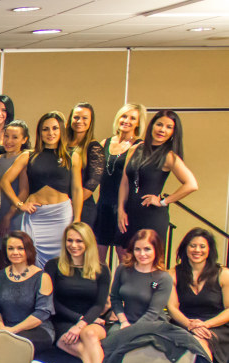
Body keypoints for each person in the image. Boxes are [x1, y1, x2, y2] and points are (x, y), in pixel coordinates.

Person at [1, 112, 83, 266]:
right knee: (31, 259)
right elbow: (5, 181)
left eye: (55, 128)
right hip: (35, 216)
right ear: (39, 132)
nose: (50, 133)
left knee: (61, 262)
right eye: (45, 129)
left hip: (61, 216)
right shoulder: (28, 155)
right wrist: (20, 205)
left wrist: (77, 218)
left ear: (61, 130)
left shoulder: (72, 156)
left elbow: (77, 190)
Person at [118, 110, 197, 247]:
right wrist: (120, 209)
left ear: (173, 132)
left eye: (169, 127)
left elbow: (191, 184)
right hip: (129, 214)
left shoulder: (169, 156)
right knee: (126, 257)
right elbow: (125, 182)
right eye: (159, 124)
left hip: (151, 217)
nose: (162, 130)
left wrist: (163, 201)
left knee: (149, 258)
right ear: (152, 125)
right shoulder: (135, 148)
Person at [45, 222, 110, 363]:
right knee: (85, 352)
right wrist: (78, 320)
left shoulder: (102, 270)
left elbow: (99, 304)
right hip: (62, 322)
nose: (73, 245)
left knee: (89, 334)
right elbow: (52, 301)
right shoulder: (53, 266)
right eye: (70, 240)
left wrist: (82, 324)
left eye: (79, 241)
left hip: (90, 321)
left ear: (88, 242)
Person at [169, 228, 229, 363]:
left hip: (216, 325)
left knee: (199, 340)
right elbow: (172, 308)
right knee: (191, 340)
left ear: (209, 250)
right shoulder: (172, 274)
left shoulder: (223, 274)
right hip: (183, 324)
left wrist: (205, 325)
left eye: (202, 246)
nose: (197, 250)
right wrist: (190, 325)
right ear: (185, 248)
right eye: (193, 246)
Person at [0, 231, 55, 351]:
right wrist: (1, 326)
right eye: (10, 248)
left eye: (20, 248)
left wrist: (13, 330)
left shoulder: (42, 277)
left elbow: (41, 313)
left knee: (12, 343)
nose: (15, 252)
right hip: (5, 329)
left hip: (37, 330)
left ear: (28, 250)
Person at [94, 103, 145, 258]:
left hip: (124, 207)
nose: (127, 121)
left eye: (132, 118)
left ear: (138, 123)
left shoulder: (139, 146)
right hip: (103, 205)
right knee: (98, 255)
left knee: (124, 255)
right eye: (124, 116)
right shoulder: (105, 143)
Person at [0, 120, 30, 277]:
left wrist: (9, 216)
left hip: (13, 215)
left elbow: (24, 192)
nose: (9, 141)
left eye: (15, 137)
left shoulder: (23, 159)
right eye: (6, 136)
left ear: (24, 140)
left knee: (8, 260)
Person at [110, 229, 171, 329]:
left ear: (156, 250)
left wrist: (132, 330)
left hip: (152, 326)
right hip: (125, 323)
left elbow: (153, 313)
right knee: (112, 338)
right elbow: (115, 298)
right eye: (137, 249)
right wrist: (123, 321)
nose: (142, 254)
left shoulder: (164, 278)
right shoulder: (123, 269)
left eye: (147, 249)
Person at [65, 103, 104, 226]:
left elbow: (92, 184)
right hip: (60, 206)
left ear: (91, 121)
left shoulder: (94, 147)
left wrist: (72, 203)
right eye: (76, 117)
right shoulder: (62, 145)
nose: (79, 121)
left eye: (84, 118)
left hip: (82, 208)